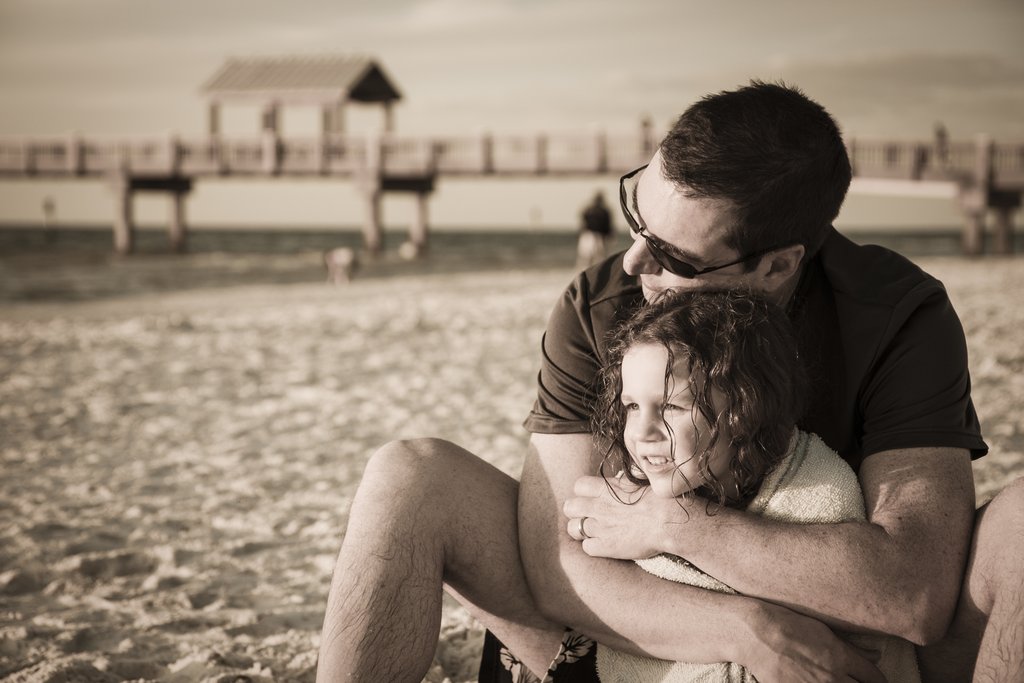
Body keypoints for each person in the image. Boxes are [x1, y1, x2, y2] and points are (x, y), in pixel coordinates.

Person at [316, 81, 1024, 683]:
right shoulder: (599, 304)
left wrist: (672, 523)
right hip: (632, 639)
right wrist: (749, 631)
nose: (632, 263)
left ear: (778, 265)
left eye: (671, 255)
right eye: (636, 215)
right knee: (408, 475)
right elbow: (555, 566)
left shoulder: (895, 314)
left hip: (856, 658)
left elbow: (914, 592)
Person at [582, 288, 918, 682]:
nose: (642, 431)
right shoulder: (625, 499)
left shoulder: (814, 492)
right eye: (632, 406)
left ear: (745, 409)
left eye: (671, 406)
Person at [576, 191, 613, 270]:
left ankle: (585, 273)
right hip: (597, 237)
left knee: (586, 260)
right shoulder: (604, 211)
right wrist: (609, 237)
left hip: (588, 236)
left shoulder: (588, 210)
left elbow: (582, 224)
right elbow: (608, 227)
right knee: (598, 259)